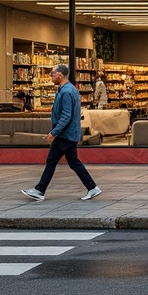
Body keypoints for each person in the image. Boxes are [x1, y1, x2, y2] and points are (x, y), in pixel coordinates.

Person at [21, 64, 101, 202]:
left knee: (52, 160)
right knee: (73, 162)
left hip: (65, 134)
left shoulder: (65, 92)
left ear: (60, 75)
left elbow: (66, 116)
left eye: (53, 73)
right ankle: (92, 187)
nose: (51, 76)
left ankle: (39, 190)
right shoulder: (68, 89)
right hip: (70, 133)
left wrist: (54, 132)